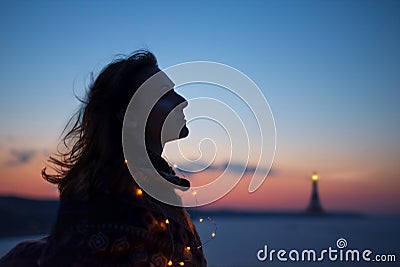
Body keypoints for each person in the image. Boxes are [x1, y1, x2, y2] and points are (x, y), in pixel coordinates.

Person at [0, 51, 207, 266]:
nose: (183, 102)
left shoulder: (154, 189)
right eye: (164, 93)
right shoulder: (107, 196)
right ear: (130, 115)